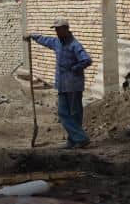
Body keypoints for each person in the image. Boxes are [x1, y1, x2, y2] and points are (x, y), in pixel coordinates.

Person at [24, 18, 93, 149]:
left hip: (73, 84)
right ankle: (74, 140)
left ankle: (80, 139)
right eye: (55, 29)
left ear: (66, 29)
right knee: (63, 112)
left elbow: (87, 60)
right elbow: (45, 40)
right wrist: (33, 36)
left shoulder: (75, 45)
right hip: (62, 84)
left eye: (58, 29)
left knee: (75, 113)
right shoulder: (57, 43)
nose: (56, 32)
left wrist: (75, 68)